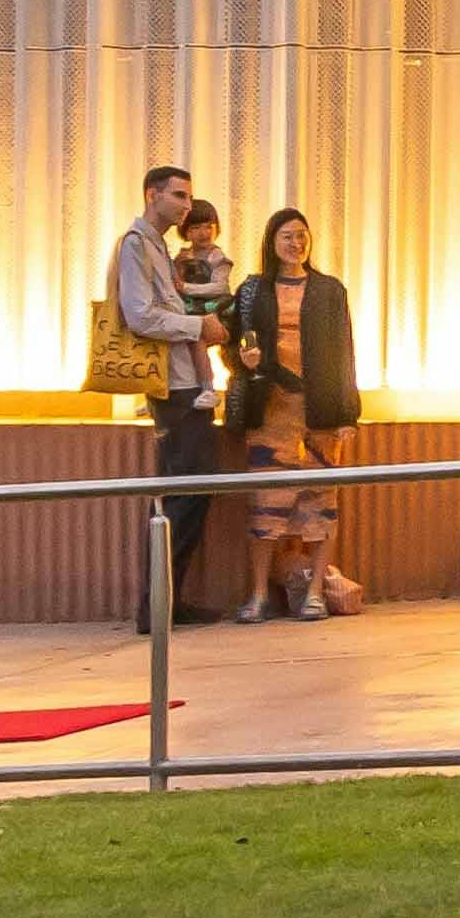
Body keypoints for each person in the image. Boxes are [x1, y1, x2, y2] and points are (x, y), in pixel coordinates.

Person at [221, 208, 362, 619]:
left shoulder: (329, 290)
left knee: (322, 502)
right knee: (266, 502)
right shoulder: (254, 290)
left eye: (302, 236)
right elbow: (230, 343)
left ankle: (315, 591)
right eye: (287, 236)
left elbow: (344, 354)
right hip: (270, 409)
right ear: (271, 241)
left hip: (320, 411)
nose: (296, 244)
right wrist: (242, 361)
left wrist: (348, 413)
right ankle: (259, 593)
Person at [111, 160, 228, 625]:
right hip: (171, 385)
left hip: (183, 381)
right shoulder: (137, 245)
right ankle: (156, 607)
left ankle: (167, 602)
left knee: (193, 490)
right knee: (185, 492)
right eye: (177, 195)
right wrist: (198, 323)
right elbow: (139, 316)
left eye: (188, 197)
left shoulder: (162, 248)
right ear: (152, 195)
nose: (185, 205)